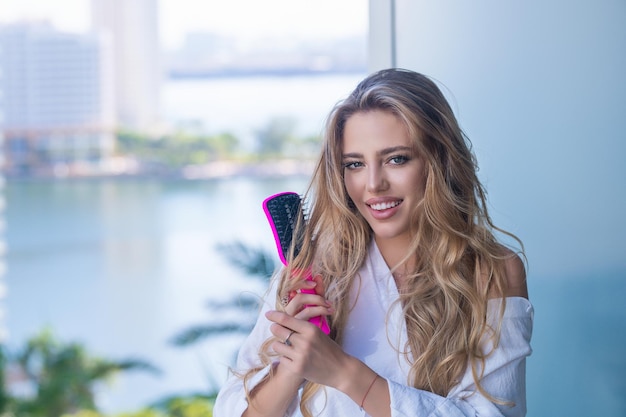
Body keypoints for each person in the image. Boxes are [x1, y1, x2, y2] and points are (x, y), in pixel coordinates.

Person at [213, 68, 533, 417]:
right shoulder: (315, 268)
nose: (373, 184)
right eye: (355, 164)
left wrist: (344, 373)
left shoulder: (491, 273)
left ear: (438, 161)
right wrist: (291, 366)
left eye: (396, 159)